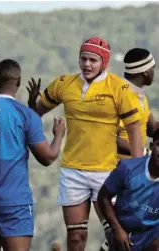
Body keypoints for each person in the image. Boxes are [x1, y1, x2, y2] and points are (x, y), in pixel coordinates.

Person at [32, 37, 144, 251]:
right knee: (75, 237)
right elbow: (35, 112)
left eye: (93, 60)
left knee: (116, 236)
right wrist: (46, 133)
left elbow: (134, 130)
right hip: (73, 171)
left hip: (107, 172)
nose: (87, 64)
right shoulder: (64, 84)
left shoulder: (119, 88)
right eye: (83, 59)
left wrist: (137, 170)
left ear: (104, 62)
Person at [0, 59, 66, 251]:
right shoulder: (25, 114)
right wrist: (58, 135)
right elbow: (47, 157)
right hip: (13, 199)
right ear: (18, 83)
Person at [97, 129, 159, 251]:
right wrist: (117, 228)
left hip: (151, 236)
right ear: (152, 146)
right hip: (123, 233)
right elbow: (103, 197)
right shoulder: (127, 168)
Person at [116, 48, 157, 159]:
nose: (155, 72)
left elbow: (151, 128)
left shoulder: (139, 94)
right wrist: (143, 152)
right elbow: (110, 137)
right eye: (153, 68)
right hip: (119, 168)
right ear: (145, 72)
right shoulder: (122, 95)